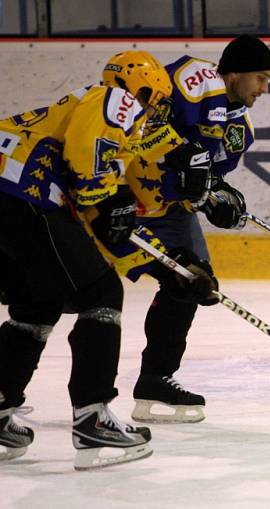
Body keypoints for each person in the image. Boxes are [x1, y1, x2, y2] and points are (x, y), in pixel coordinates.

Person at [0, 50, 172, 468]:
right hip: (24, 191)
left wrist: (161, 262)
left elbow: (99, 218)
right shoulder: (114, 98)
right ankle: (93, 418)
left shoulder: (81, 109)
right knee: (101, 292)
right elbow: (90, 173)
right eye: (157, 101)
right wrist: (112, 201)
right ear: (144, 87)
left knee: (37, 304)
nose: (154, 112)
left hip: (9, 195)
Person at [115, 35, 270, 424]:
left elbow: (204, 181)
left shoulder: (241, 130)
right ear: (233, 72)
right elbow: (143, 120)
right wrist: (178, 153)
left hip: (168, 211)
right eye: (259, 77)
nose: (264, 89)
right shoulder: (197, 78)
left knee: (192, 280)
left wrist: (218, 200)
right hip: (117, 193)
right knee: (67, 293)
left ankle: (155, 378)